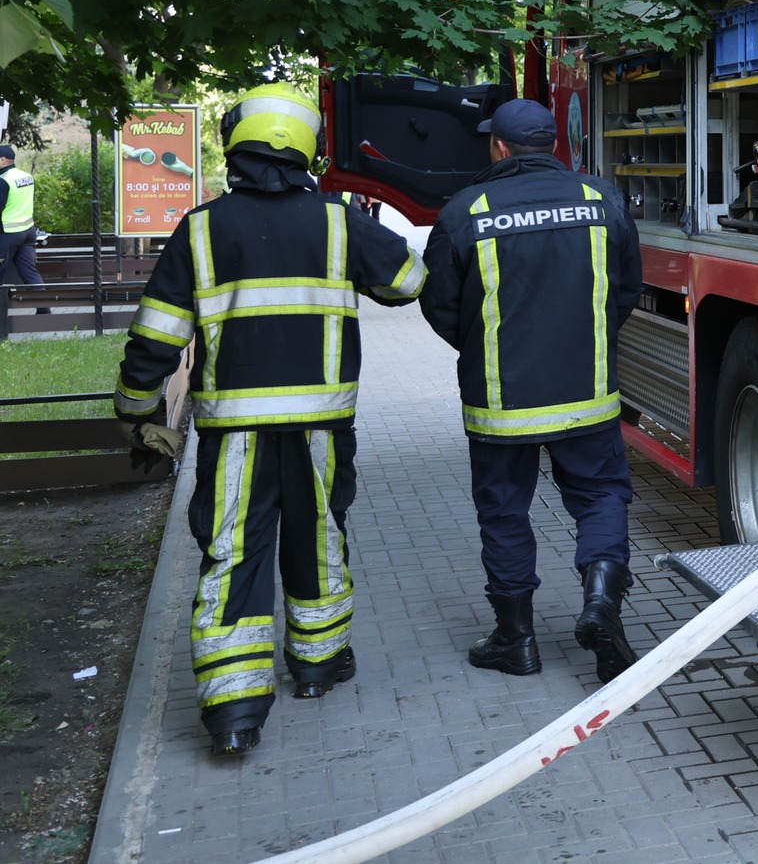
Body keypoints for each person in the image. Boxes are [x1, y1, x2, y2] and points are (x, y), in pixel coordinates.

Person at [112, 86, 425, 757]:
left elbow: (155, 340)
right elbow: (407, 281)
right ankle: (316, 666)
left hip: (234, 433)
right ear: (307, 148)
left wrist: (138, 415)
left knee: (233, 548)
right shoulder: (338, 220)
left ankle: (233, 709)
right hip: (321, 425)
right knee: (319, 533)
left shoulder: (201, 227)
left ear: (237, 144)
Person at [421, 99, 643, 682]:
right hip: (587, 393)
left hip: (501, 401)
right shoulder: (603, 201)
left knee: (503, 512)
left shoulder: (467, 210)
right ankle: (601, 603)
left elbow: (441, 305)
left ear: (497, 146)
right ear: (552, 145)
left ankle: (515, 641)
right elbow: (625, 291)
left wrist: (484, 347)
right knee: (600, 496)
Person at [0, 144, 47, 300]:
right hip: (28, 232)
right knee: (30, 273)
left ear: (2, 160)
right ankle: (44, 312)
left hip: (8, 234)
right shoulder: (26, 176)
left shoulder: (3, 180)